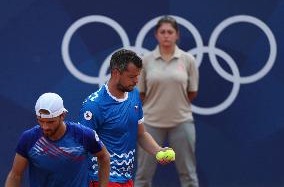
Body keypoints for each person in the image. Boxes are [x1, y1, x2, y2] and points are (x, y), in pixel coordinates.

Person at [79, 49, 172, 187]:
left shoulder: (134, 94)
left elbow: (141, 134)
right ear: (116, 73)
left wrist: (158, 150)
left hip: (126, 178)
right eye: (132, 77)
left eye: (138, 76)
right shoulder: (94, 105)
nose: (136, 81)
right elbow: (81, 147)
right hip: (102, 180)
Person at [134, 16, 199, 187]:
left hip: (182, 122)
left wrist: (177, 105)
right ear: (156, 35)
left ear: (177, 35)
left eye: (170, 32)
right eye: (162, 32)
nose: (166, 35)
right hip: (151, 124)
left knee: (189, 175)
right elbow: (140, 94)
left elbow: (192, 91)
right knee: (143, 175)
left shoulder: (188, 60)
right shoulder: (146, 61)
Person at [5, 92, 110, 187]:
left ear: (62, 115)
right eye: (41, 121)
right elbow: (15, 175)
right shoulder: (29, 138)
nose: (45, 127)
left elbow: (104, 157)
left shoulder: (83, 135)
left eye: (50, 122)